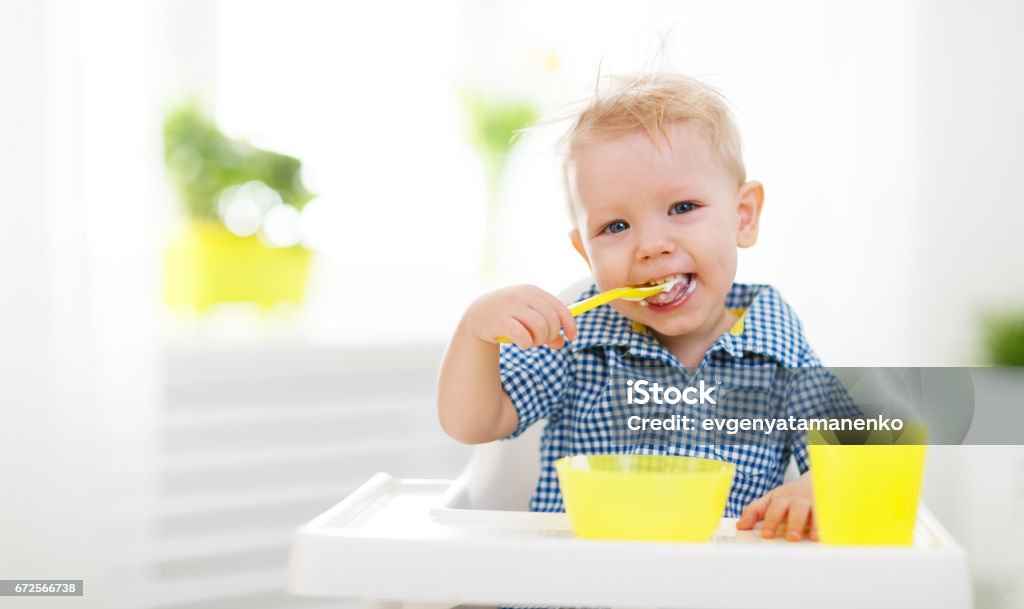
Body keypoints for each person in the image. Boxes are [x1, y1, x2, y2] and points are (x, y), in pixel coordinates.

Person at [438, 73, 845, 541]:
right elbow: (473, 423)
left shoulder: (775, 340)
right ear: (584, 252)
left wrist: (819, 486)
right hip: (578, 585)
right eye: (615, 227)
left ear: (743, 216)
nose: (651, 245)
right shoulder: (576, 336)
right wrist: (475, 331)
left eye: (682, 207)